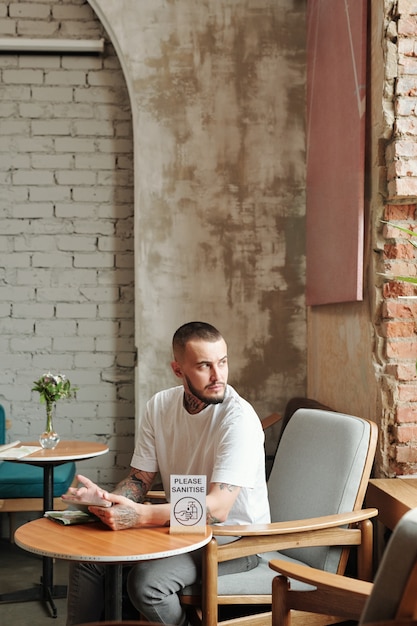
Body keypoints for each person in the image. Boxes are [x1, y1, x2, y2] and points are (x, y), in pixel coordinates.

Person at [64, 321, 270, 626]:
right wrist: (109, 502)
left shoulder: (238, 418)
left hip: (235, 540)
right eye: (204, 366)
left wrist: (142, 516)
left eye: (222, 362)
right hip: (181, 530)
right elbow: (139, 480)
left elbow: (219, 508)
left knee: (146, 584)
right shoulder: (160, 406)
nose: (218, 376)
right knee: (90, 559)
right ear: (178, 370)